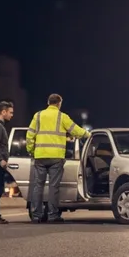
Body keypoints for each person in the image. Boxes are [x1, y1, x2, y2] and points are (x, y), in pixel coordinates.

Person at [27, 94, 90, 223]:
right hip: (56, 157)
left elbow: (30, 135)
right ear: (59, 103)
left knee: (38, 186)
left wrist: (31, 151)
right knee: (53, 187)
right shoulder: (62, 117)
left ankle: (36, 216)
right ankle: (52, 215)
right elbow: (76, 130)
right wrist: (88, 134)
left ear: (48, 102)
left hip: (40, 156)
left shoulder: (38, 116)